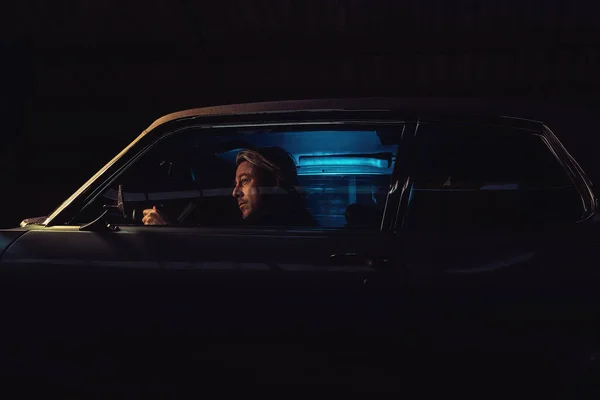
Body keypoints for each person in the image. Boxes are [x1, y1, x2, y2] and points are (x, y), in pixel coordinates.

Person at [142, 147, 315, 227]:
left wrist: (167, 232)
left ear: (274, 184)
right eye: (235, 184)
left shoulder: (279, 233)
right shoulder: (289, 225)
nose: (235, 192)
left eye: (245, 181)